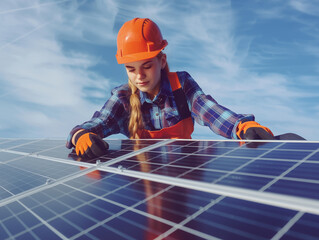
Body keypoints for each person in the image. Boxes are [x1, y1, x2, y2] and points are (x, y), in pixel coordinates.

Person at [66, 17, 279, 159]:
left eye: (147, 66)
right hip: (143, 183)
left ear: (162, 60)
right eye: (131, 69)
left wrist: (241, 127)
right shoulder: (123, 98)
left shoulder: (182, 86)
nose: (139, 76)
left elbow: (209, 111)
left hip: (185, 175)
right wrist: (80, 135)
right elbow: (98, 123)